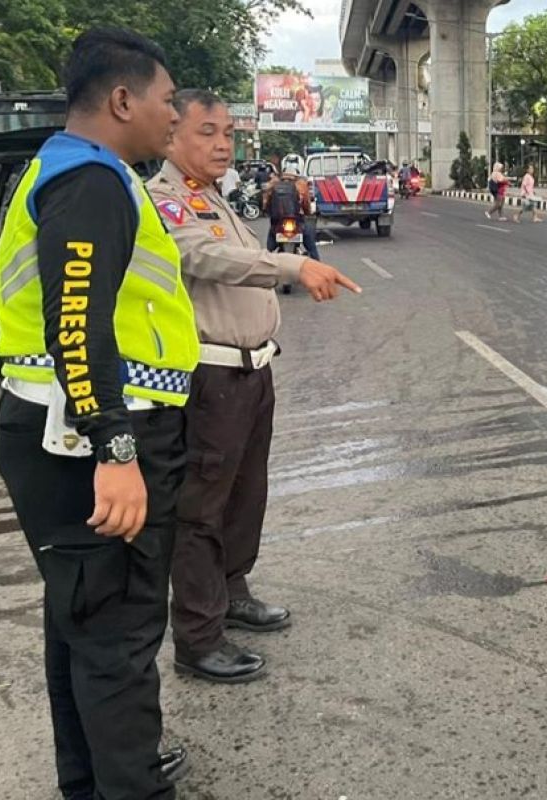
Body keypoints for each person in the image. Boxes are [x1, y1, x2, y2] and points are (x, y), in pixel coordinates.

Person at [0, 28, 196, 798]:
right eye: (167, 101)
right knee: (117, 634)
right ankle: (131, 783)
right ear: (121, 100)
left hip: (57, 425)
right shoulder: (91, 182)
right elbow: (75, 324)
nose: (172, 117)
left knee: (80, 624)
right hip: (88, 434)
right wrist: (114, 450)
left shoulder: (70, 169)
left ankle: (95, 781)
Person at [148, 89, 360, 684]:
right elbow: (208, 261)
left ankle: (232, 592)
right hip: (210, 376)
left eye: (228, 134)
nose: (222, 144)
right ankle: (197, 637)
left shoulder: (211, 196)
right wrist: (295, 265)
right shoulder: (166, 203)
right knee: (201, 509)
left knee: (246, 494)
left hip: (251, 372)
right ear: (170, 138)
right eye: (207, 132)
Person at [263, 169, 321, 260]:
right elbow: (306, 204)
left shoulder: (274, 184)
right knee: (310, 245)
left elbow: (265, 203)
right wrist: (308, 213)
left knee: (268, 248)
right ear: (295, 176)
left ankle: (264, 262)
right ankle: (317, 264)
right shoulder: (301, 185)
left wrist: (268, 211)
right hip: (297, 221)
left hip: (278, 222)